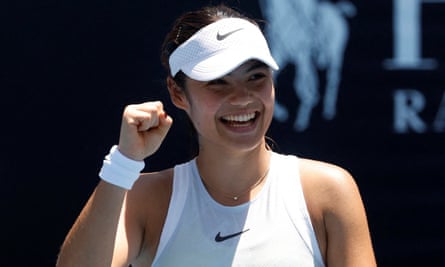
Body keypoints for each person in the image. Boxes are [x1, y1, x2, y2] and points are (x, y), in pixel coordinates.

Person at [56, 4, 376, 267]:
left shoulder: (330, 192)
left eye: (256, 77)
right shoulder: (145, 199)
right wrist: (123, 164)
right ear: (177, 93)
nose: (242, 97)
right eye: (218, 82)